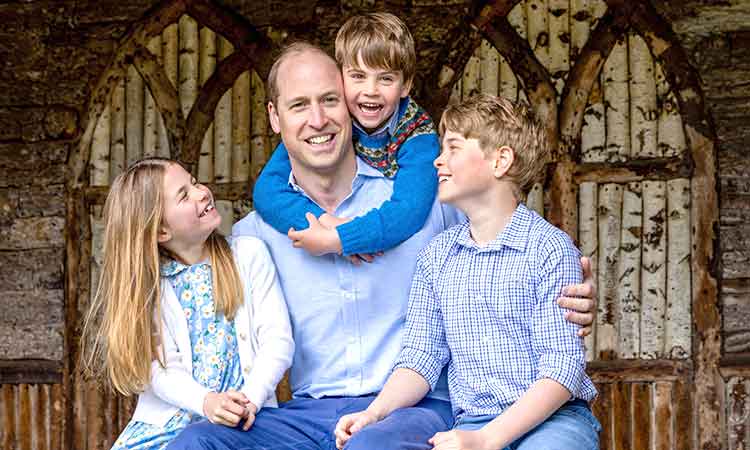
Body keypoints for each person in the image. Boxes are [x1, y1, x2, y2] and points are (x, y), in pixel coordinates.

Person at [165, 43, 597, 450]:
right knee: (198, 442)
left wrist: (576, 286)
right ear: (275, 117)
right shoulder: (254, 237)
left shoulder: (422, 206)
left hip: (416, 407)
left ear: (352, 107)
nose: (318, 120)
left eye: (330, 101)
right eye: (299, 105)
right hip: (310, 412)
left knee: (371, 444)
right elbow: (184, 288)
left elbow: (501, 234)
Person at [334, 95, 600, 450]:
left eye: (453, 148)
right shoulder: (437, 257)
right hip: (473, 418)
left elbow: (563, 368)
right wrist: (374, 413)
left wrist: (486, 440)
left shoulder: (549, 249)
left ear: (500, 160)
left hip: (555, 420)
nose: (438, 161)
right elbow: (420, 358)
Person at [80, 157, 294, 450]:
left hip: (246, 420)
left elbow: (277, 340)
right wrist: (205, 402)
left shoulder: (248, 255)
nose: (202, 192)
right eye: (184, 195)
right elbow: (160, 370)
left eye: (193, 182)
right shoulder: (150, 289)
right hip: (168, 428)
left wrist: (251, 399)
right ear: (160, 232)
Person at [253, 12, 439, 260]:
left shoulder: (419, 136)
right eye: (358, 77)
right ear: (341, 78)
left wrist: (343, 238)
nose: (370, 91)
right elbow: (267, 191)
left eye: (385, 78)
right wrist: (323, 222)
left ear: (405, 86)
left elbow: (409, 211)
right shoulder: (338, 119)